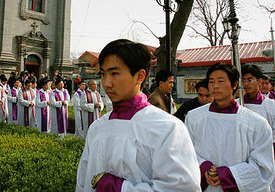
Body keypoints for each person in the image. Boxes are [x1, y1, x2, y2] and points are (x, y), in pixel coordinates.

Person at [76, 39, 201, 191]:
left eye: (115, 73)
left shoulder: (166, 128)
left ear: (140, 76)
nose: (107, 83)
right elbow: (82, 182)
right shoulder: (97, 127)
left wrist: (118, 187)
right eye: (103, 74)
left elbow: (182, 187)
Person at [185, 63, 275, 191]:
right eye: (211, 81)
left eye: (221, 81)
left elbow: (263, 167)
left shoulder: (256, 123)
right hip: (206, 185)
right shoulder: (194, 117)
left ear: (234, 85)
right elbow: (186, 150)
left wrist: (225, 174)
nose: (215, 86)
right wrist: (204, 167)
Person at [241, 64, 275, 192]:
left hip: (271, 164)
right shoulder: (238, 105)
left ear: (259, 81)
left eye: (250, 80)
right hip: (243, 165)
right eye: (243, 80)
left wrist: (264, 166)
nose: (246, 84)